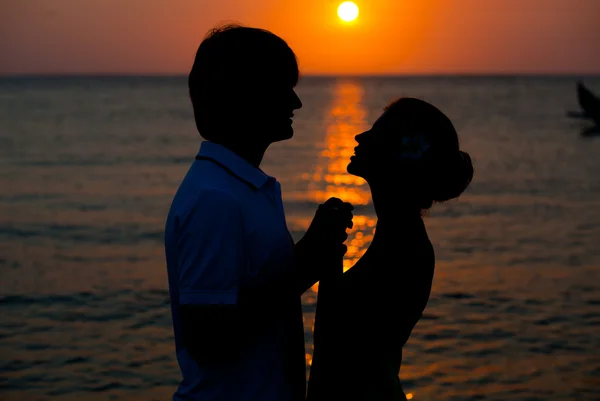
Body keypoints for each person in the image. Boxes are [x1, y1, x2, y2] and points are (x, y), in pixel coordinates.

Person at [164, 25, 353, 401]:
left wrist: (308, 254)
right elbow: (208, 336)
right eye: (284, 88)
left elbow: (252, 291)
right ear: (246, 96)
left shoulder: (238, 188)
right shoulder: (216, 198)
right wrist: (307, 262)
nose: (296, 103)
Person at [307, 98, 474, 401]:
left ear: (400, 156)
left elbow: (347, 349)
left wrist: (326, 252)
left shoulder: (404, 248)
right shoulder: (400, 235)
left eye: (375, 133)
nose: (361, 137)